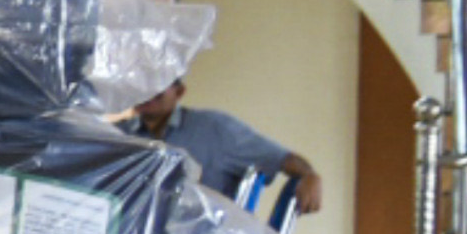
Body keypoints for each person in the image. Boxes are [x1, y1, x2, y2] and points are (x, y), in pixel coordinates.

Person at [127, 78, 323, 215]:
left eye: (158, 82)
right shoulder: (117, 135)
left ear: (179, 91)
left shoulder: (215, 129)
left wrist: (309, 175)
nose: (147, 90)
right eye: (139, 83)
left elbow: (280, 158)